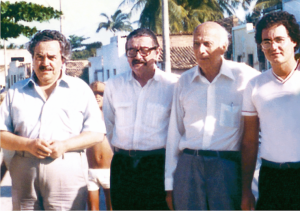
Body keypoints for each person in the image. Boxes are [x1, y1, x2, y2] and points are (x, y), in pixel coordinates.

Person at [0, 30, 106, 210]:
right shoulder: (15, 91)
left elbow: (96, 133)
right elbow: (1, 134)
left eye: (51, 57)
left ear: (62, 60)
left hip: (67, 169)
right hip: (24, 171)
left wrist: (65, 145)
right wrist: (28, 145)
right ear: (32, 59)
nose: (45, 63)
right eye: (39, 57)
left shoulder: (79, 89)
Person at [164, 22, 259, 210]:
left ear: (224, 46)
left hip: (227, 168)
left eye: (207, 43)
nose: (201, 50)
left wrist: (252, 183)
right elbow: (174, 133)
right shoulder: (184, 81)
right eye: (196, 44)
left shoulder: (246, 77)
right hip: (188, 166)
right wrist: (169, 183)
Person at [103, 28, 178, 210]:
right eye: (132, 51)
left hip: (156, 166)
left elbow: (178, 131)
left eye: (144, 50)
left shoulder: (174, 86)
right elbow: (109, 125)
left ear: (157, 52)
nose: (138, 56)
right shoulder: (114, 85)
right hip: (123, 167)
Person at [241, 11, 300, 210]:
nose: (273, 47)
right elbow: (249, 142)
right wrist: (246, 190)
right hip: (271, 176)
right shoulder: (254, 86)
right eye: (266, 41)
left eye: (279, 39)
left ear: (293, 41)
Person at [87, 81, 113, 210]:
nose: (97, 97)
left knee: (112, 206)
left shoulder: (112, 116)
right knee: (92, 208)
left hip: (109, 170)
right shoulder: (85, 118)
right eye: (94, 94)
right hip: (90, 170)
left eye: (101, 94)